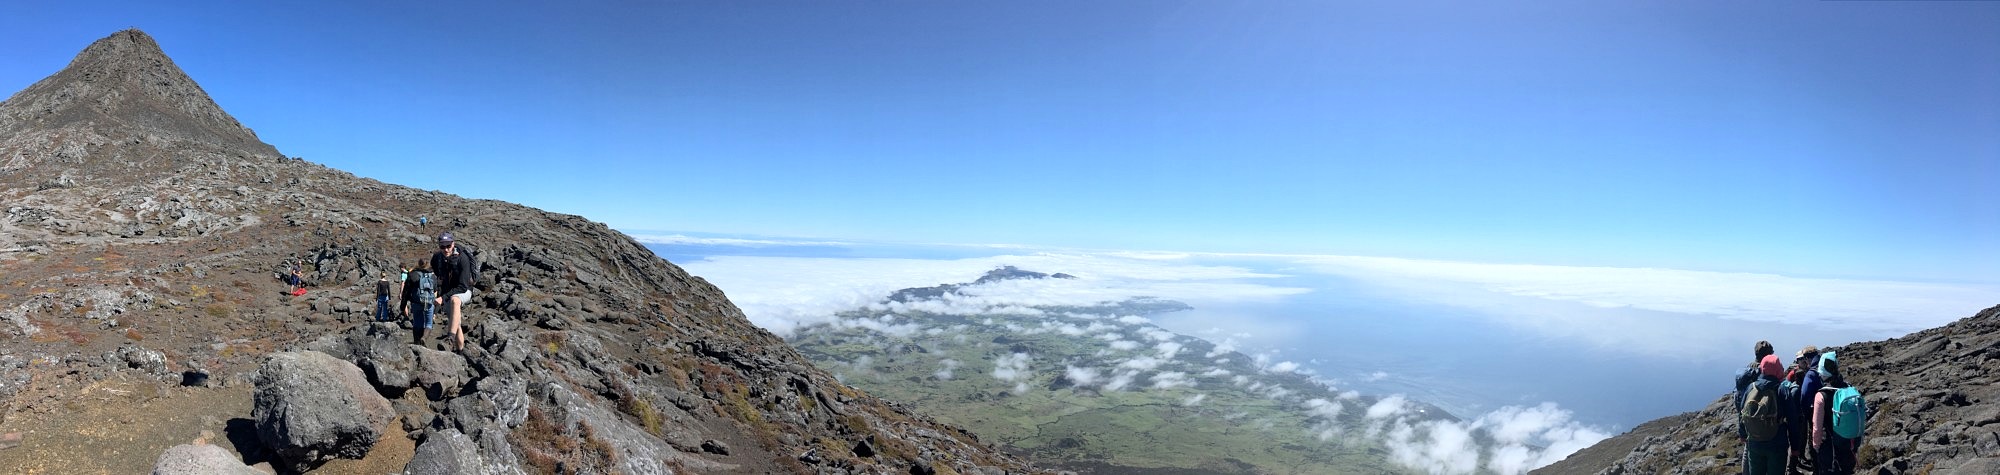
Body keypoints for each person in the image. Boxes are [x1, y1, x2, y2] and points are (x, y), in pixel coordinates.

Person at [1811, 352, 1863, 475]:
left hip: (1830, 449)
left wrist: (1816, 445)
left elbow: (1817, 427)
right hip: (1850, 444)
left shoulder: (1821, 395)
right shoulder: (1849, 388)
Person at [1742, 354, 1789, 475]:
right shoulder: (1781, 389)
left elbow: (1742, 412)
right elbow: (1792, 419)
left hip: (1754, 442)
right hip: (1777, 443)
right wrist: (1794, 447)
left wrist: (1743, 434)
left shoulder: (1751, 388)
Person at [1734, 340, 1774, 475]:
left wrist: (1741, 430)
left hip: (1746, 417)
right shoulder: (1763, 371)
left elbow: (1741, 400)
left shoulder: (1748, 370)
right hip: (1760, 418)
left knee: (1748, 449)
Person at [432, 232, 474, 351]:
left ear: (453, 244)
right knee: (456, 324)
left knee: (455, 300)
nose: (445, 249)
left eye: (448, 246)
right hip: (447, 294)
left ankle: (449, 339)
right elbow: (436, 271)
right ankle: (460, 351)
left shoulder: (462, 259)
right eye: (442, 247)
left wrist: (443, 297)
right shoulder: (437, 258)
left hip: (464, 291)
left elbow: (463, 286)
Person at [1791, 346, 1822, 472]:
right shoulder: (1823, 368)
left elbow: (1804, 396)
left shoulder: (1810, 373)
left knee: (1811, 439)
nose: (1803, 361)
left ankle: (1815, 467)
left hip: (1812, 412)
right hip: (1823, 413)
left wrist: (1807, 413)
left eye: (1804, 358)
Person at [400, 259, 436, 344]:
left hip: (416, 302)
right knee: (428, 324)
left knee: (417, 323)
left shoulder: (413, 274)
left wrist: (403, 305)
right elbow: (435, 289)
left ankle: (417, 343)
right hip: (429, 302)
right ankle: (424, 338)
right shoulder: (432, 275)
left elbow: (406, 291)